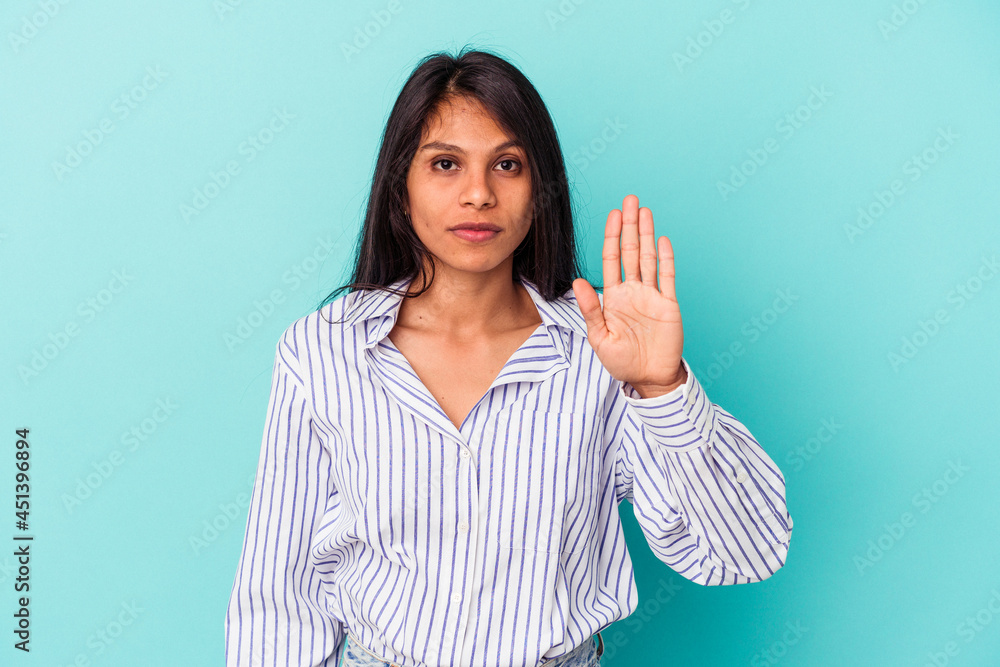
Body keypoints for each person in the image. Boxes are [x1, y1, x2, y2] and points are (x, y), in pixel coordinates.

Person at [224, 46, 793, 667]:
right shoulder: (323, 349)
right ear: (400, 190)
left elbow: (745, 554)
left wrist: (663, 388)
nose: (478, 194)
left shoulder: (604, 352)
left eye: (507, 165)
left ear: (539, 190)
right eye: (445, 163)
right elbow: (278, 594)